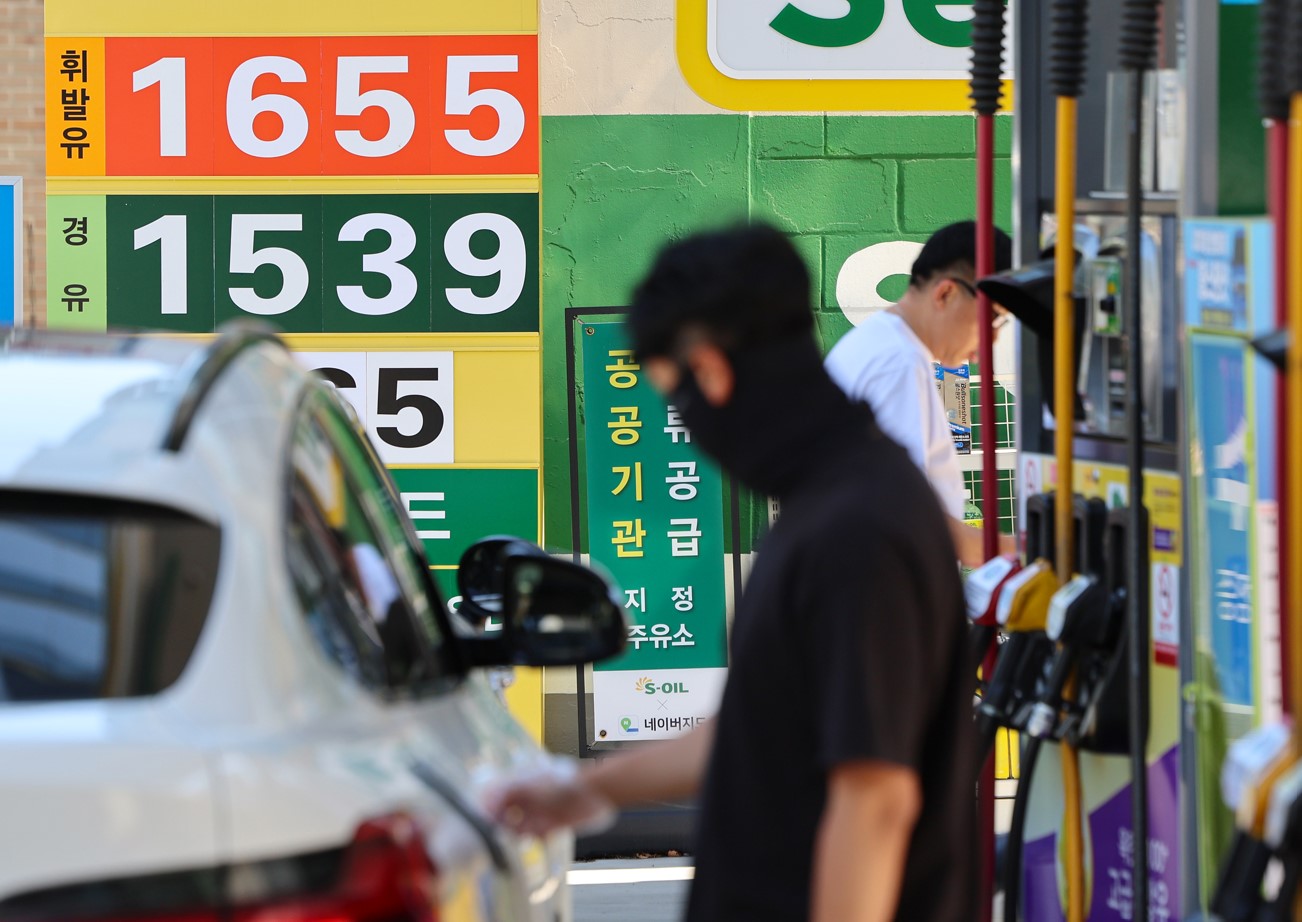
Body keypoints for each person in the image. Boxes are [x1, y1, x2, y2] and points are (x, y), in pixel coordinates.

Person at [484, 224, 978, 922]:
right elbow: (758, 725)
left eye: (674, 396)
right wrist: (582, 790)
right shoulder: (832, 501)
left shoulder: (854, 527)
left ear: (710, 371)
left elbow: (874, 801)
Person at [824, 221, 1014, 567]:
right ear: (946, 294)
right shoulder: (899, 364)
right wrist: (1032, 551)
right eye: (993, 318)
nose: (994, 338)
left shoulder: (882, 346)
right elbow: (907, 517)